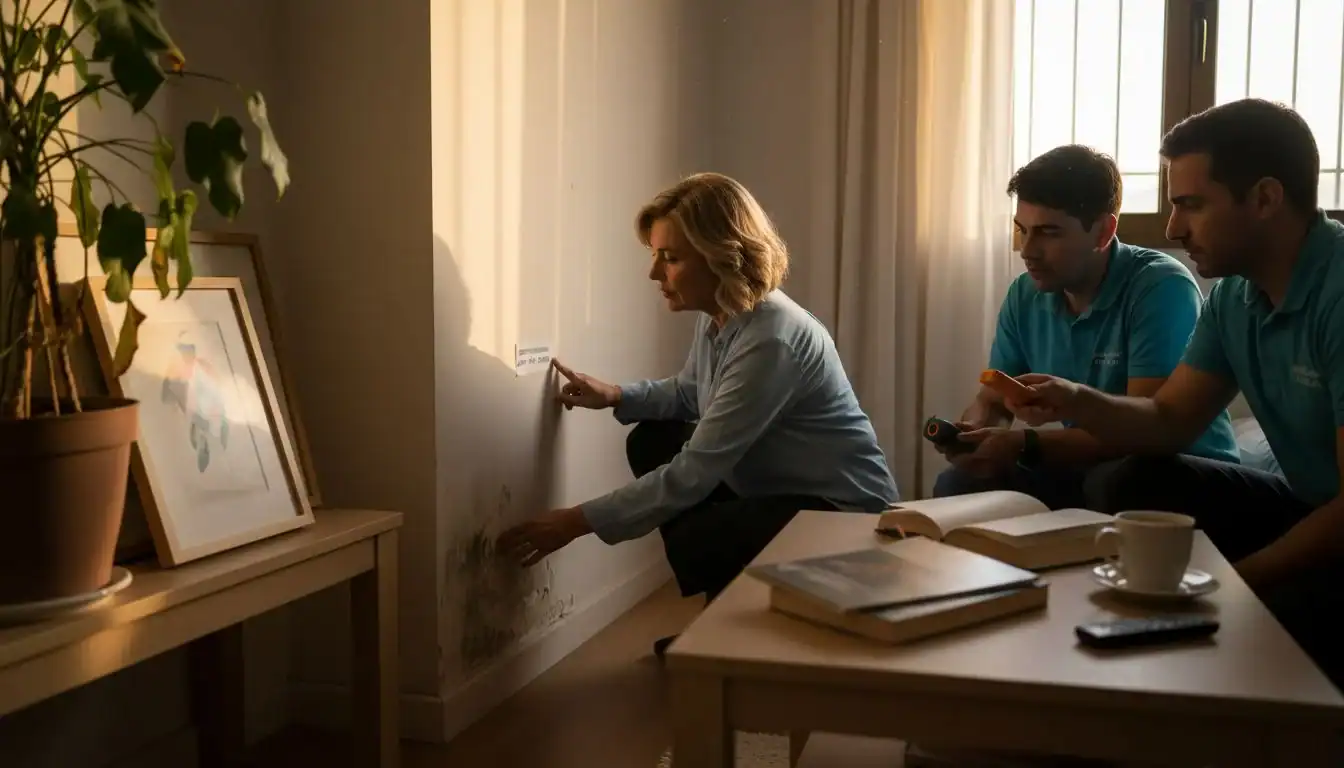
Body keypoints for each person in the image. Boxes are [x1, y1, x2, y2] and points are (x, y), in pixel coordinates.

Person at [1006, 99, 1344, 683]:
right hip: (1309, 508)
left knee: (1255, 629)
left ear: (1264, 199)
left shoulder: (1336, 293)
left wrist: (1238, 580)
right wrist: (1075, 399)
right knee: (1133, 478)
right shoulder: (1235, 298)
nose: (1172, 229)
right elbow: (1167, 419)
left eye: (1191, 204)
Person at [498, 172, 899, 656]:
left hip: (845, 516)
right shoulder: (725, 313)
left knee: (701, 528)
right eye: (655, 256)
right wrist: (616, 396)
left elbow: (693, 474)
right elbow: (692, 393)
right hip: (782, 493)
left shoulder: (770, 339)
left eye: (670, 258)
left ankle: (730, 629)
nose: (654, 273)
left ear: (723, 255)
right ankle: (727, 617)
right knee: (652, 440)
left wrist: (574, 523)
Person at [932, 144, 1240, 509]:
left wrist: (1025, 443)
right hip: (1087, 465)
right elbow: (994, 395)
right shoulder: (1025, 294)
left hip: (1173, 466)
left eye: (1049, 232)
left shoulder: (1160, 286)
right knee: (959, 483)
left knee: (1121, 482)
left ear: (1103, 232)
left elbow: (1144, 432)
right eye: (1022, 230)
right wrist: (979, 431)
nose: (1027, 250)